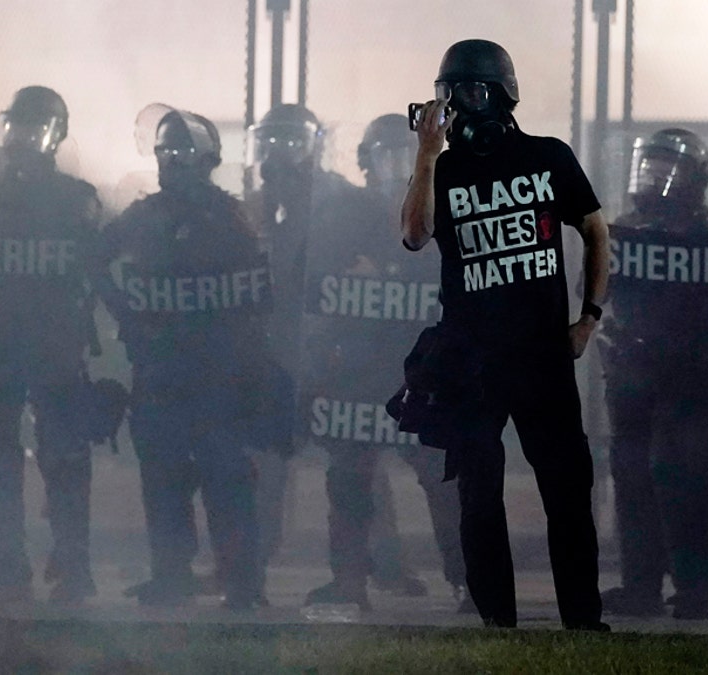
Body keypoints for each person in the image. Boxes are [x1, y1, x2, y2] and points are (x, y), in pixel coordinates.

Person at [401, 39, 610, 630]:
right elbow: (415, 235)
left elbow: (596, 230)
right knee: (478, 498)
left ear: (503, 93)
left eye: (474, 89)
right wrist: (426, 156)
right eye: (451, 93)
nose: (463, 104)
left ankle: (584, 624)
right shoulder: (442, 169)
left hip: (543, 356)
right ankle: (498, 625)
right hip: (471, 363)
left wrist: (588, 318)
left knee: (568, 493)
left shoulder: (549, 156)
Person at [94, 105, 266, 609]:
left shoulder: (231, 217)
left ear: (207, 159)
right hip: (161, 367)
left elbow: (259, 289)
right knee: (163, 476)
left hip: (217, 370)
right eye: (165, 151)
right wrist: (126, 312)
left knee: (226, 477)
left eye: (182, 151)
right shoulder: (144, 216)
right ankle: (170, 574)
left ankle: (241, 584)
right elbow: (95, 256)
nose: (171, 161)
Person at [300, 113, 467, 611]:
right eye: (386, 155)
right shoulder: (344, 216)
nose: (396, 168)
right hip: (359, 372)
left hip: (424, 372)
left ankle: (469, 582)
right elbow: (321, 289)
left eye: (406, 155)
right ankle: (349, 582)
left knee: (444, 479)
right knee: (349, 479)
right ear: (365, 163)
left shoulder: (448, 213)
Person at [0, 85, 102, 604]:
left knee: (65, 457)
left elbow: (97, 268)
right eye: (18, 127)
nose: (22, 140)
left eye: (35, 129)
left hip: (52, 344)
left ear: (55, 135)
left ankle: (73, 566)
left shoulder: (77, 201)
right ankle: (11, 567)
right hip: (0, 343)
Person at [598, 129, 708, 620]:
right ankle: (641, 587)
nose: (655, 176)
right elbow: (599, 297)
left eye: (668, 168)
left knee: (686, 486)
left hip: (690, 386)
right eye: (650, 166)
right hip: (632, 381)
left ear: (696, 178)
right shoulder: (625, 228)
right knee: (632, 482)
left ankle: (693, 590)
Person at [244, 103, 352, 585]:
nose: (276, 157)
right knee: (269, 456)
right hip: (283, 354)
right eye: (270, 144)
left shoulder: (338, 204)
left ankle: (374, 564)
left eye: (290, 144)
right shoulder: (266, 208)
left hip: (331, 353)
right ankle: (254, 559)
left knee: (352, 457)